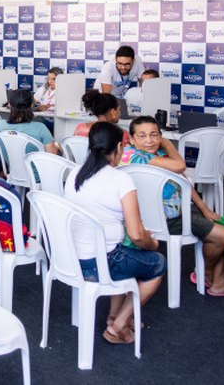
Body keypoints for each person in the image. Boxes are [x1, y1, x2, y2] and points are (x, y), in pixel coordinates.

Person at [122, 116, 224, 298]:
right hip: (165, 218)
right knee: (223, 236)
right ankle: (205, 273)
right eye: (142, 136)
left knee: (221, 223)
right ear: (132, 139)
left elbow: (183, 181)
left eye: (154, 135)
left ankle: (219, 283)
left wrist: (204, 208)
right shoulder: (135, 156)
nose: (149, 140)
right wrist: (167, 144)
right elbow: (181, 165)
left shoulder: (156, 156)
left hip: (179, 209)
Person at [64, 121, 165, 345]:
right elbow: (137, 234)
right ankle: (118, 325)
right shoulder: (121, 179)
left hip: (71, 258)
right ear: (119, 147)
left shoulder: (75, 173)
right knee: (157, 263)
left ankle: (113, 316)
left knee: (124, 250)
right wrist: (153, 244)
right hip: (100, 264)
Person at [0, 89, 60, 155]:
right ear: (31, 105)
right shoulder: (40, 128)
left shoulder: (0, 125)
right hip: (34, 162)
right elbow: (52, 155)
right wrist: (56, 146)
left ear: (9, 105)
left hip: (10, 162)